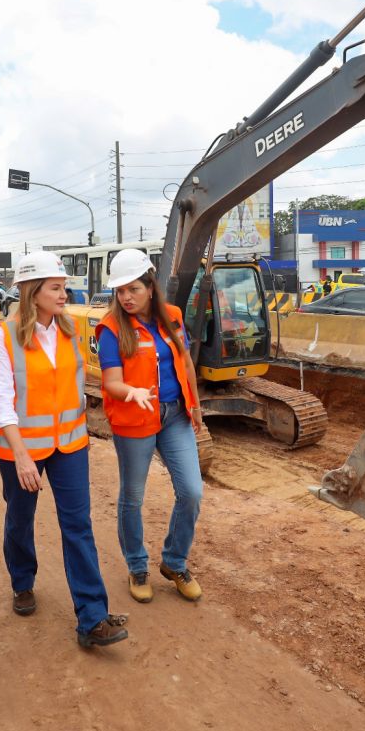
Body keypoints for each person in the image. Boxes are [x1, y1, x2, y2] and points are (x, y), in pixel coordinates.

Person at [0, 252, 128, 648]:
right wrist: (21, 456)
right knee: (20, 518)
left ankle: (92, 618)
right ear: (33, 292)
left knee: (78, 525)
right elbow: (2, 402)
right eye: (56, 287)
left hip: (69, 444)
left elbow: (75, 387)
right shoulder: (6, 336)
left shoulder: (69, 331)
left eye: (64, 286)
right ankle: (22, 581)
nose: (64, 294)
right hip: (22, 449)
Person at [97, 249, 205, 604]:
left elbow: (185, 363)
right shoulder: (112, 328)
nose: (126, 297)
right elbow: (111, 381)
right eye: (120, 291)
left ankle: (174, 562)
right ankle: (137, 565)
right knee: (133, 497)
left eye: (133, 289)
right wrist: (132, 392)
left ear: (150, 285)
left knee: (192, 492)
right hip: (135, 419)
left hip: (175, 416)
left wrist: (195, 405)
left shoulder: (172, 316)